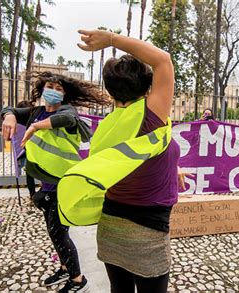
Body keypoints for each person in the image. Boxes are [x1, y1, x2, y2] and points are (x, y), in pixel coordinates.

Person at [76, 29, 179, 293]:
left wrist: (172, 169)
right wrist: (111, 39)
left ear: (110, 93)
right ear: (147, 87)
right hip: (147, 232)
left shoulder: (107, 127)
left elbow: (132, 163)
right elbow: (163, 60)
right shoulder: (149, 116)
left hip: (110, 225)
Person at [0, 72, 109, 292]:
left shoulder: (67, 111)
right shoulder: (35, 112)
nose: (54, 91)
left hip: (65, 184)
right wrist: (9, 116)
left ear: (65, 94)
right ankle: (64, 267)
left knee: (58, 233)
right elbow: (8, 109)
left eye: (59, 89)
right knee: (56, 232)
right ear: (42, 90)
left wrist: (35, 127)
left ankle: (78, 280)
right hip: (47, 184)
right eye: (50, 87)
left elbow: (68, 120)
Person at [14, 100, 37, 198]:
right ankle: (40, 193)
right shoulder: (35, 121)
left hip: (25, 152)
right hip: (35, 150)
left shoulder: (16, 124)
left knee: (29, 174)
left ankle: (32, 194)